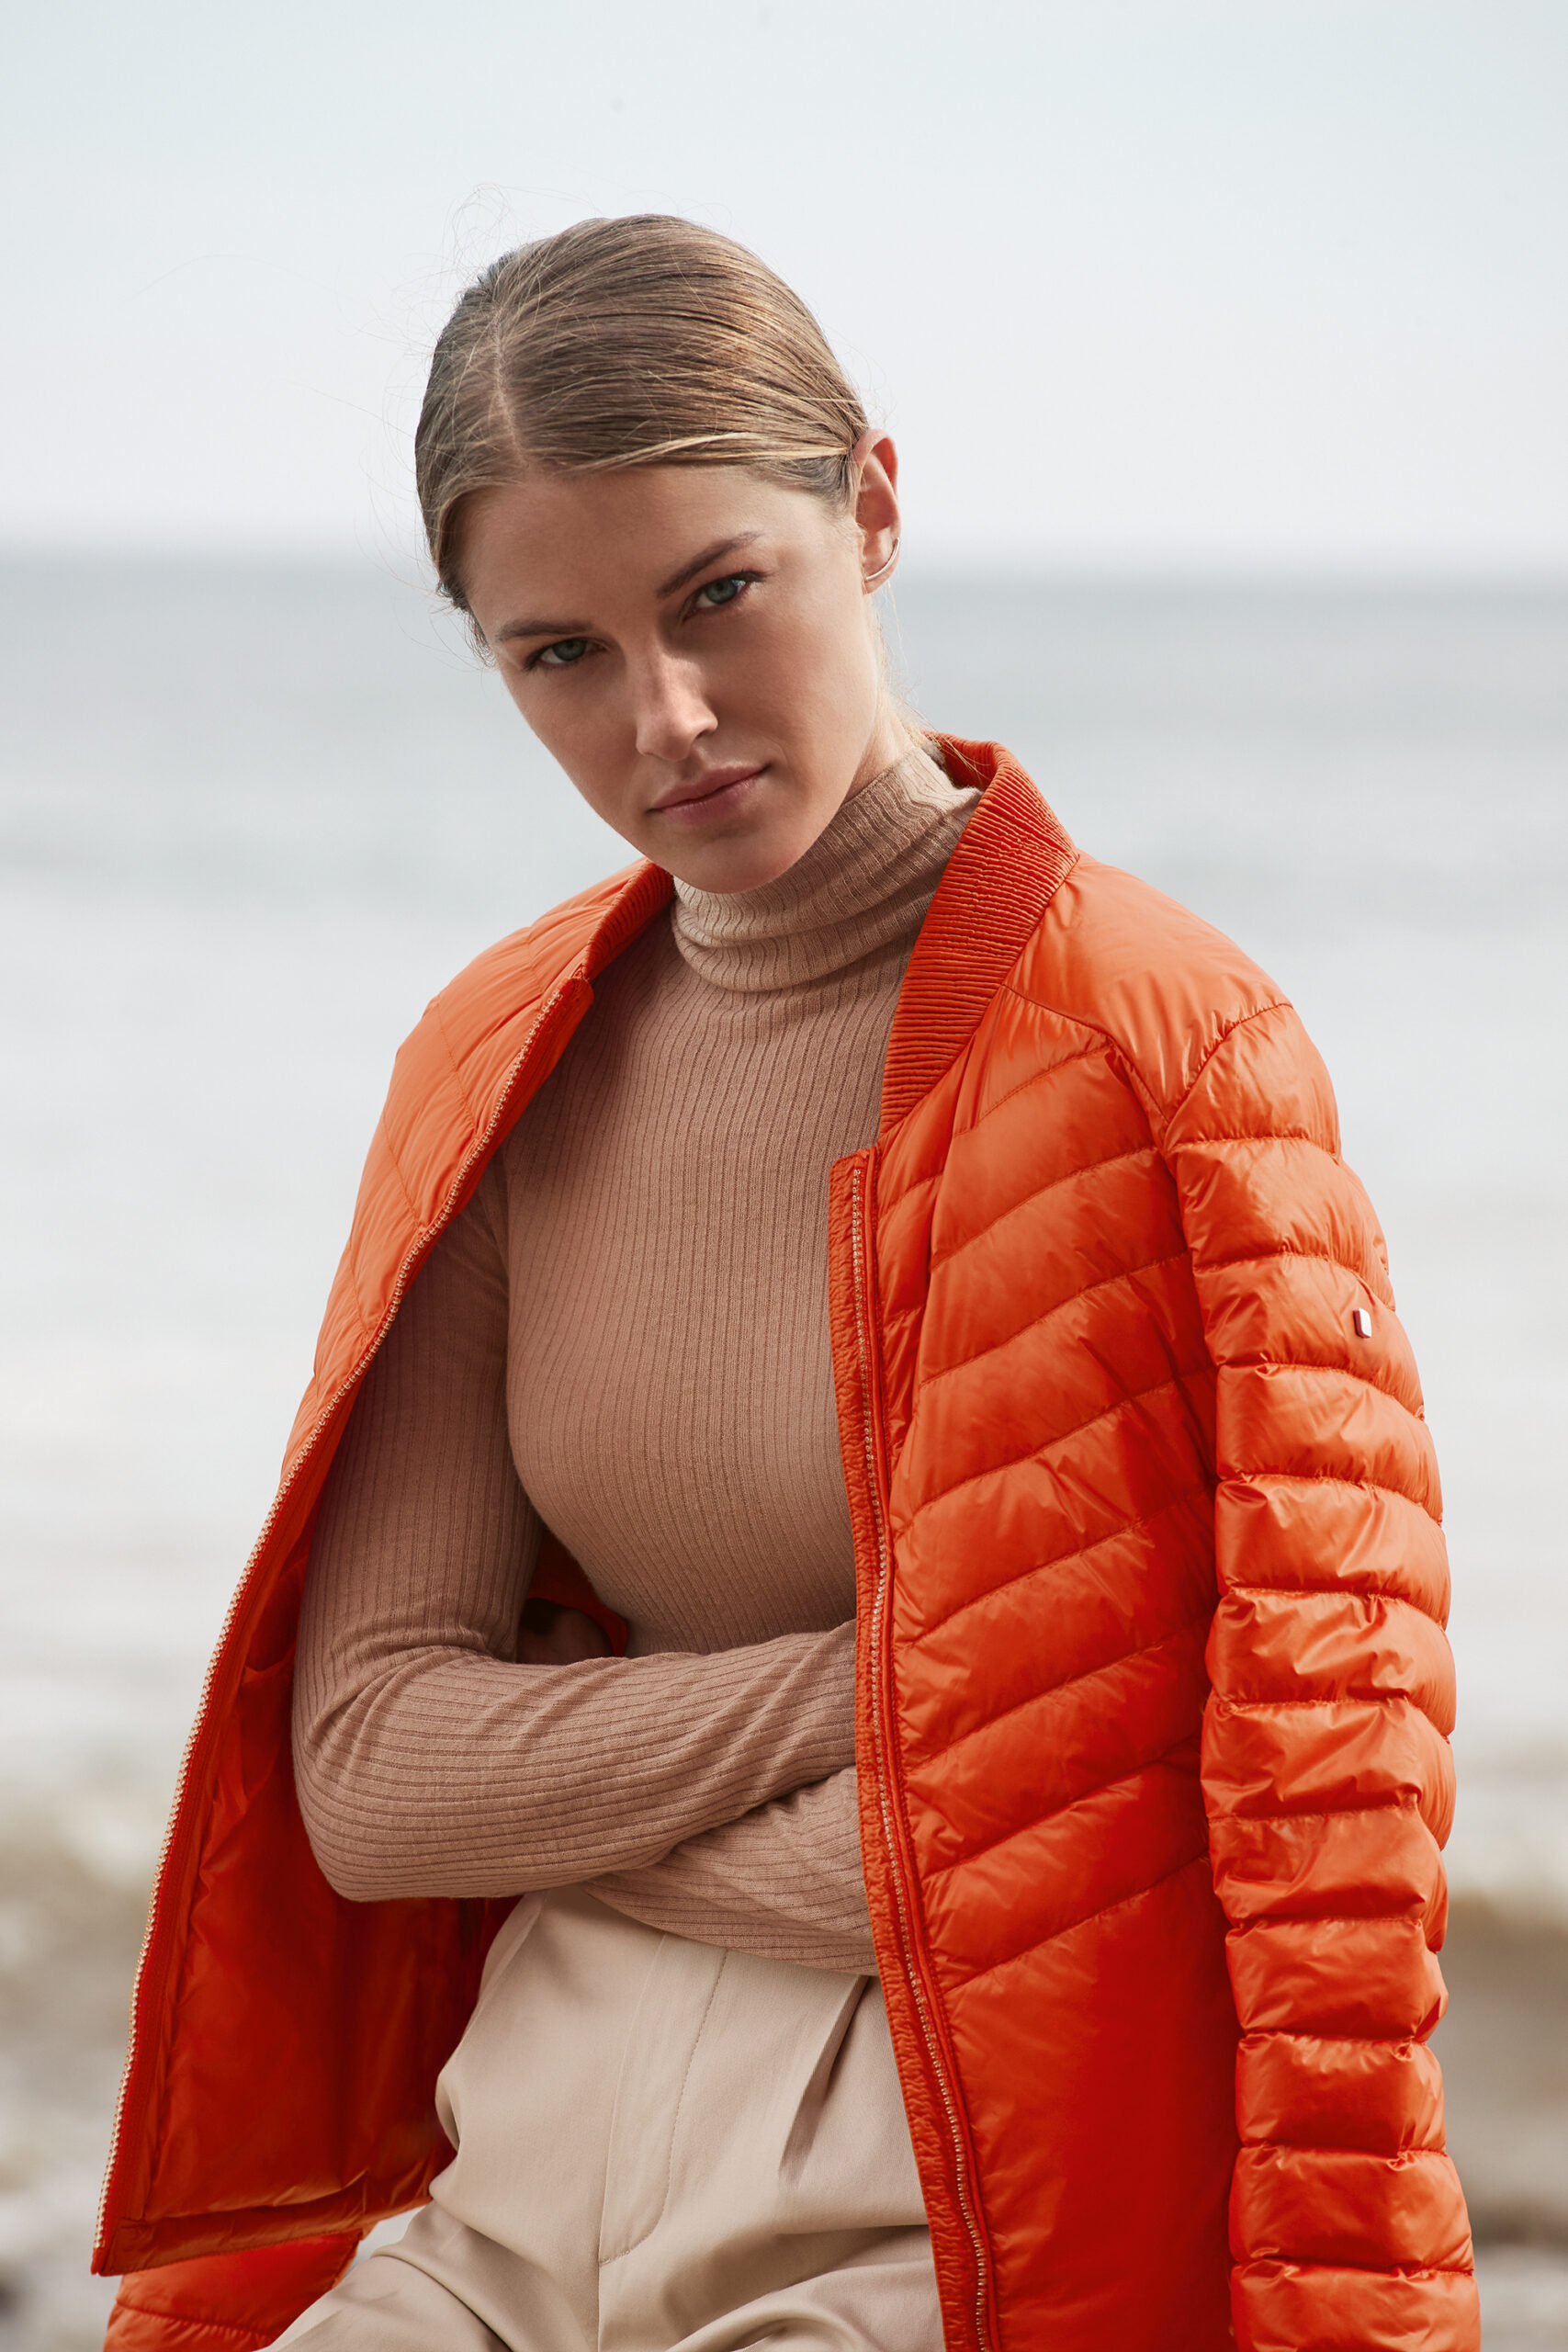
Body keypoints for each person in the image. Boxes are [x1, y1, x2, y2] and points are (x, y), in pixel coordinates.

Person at [95, 217, 1479, 2352]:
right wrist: (888, 1701)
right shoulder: (498, 1063)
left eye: (716, 594)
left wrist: (566, 1781)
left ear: (875, 508)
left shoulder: (1159, 1049)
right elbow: (366, 1776)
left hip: (936, 2203)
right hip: (500, 2170)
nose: (662, 716)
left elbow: (1243, 1789)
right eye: (558, 652)